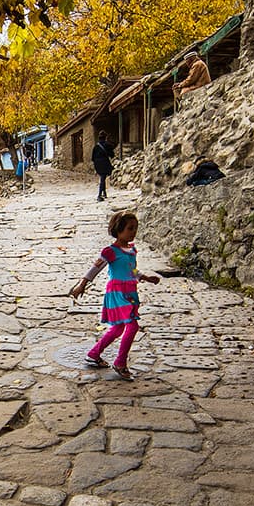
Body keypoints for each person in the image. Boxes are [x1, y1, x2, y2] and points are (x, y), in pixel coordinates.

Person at [69, 211, 160, 381]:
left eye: (135, 228)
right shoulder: (110, 251)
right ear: (118, 230)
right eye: (129, 228)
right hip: (117, 292)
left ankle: (93, 354)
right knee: (132, 326)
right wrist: (82, 285)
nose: (133, 232)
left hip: (130, 291)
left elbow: (131, 269)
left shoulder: (132, 249)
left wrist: (145, 277)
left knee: (118, 328)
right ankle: (120, 362)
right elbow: (95, 268)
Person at [91, 130, 114, 201]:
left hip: (97, 164)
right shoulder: (108, 145)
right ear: (105, 137)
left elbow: (92, 158)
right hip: (104, 163)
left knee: (102, 177)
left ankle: (104, 192)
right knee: (103, 179)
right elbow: (112, 155)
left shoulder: (95, 147)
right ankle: (99, 195)